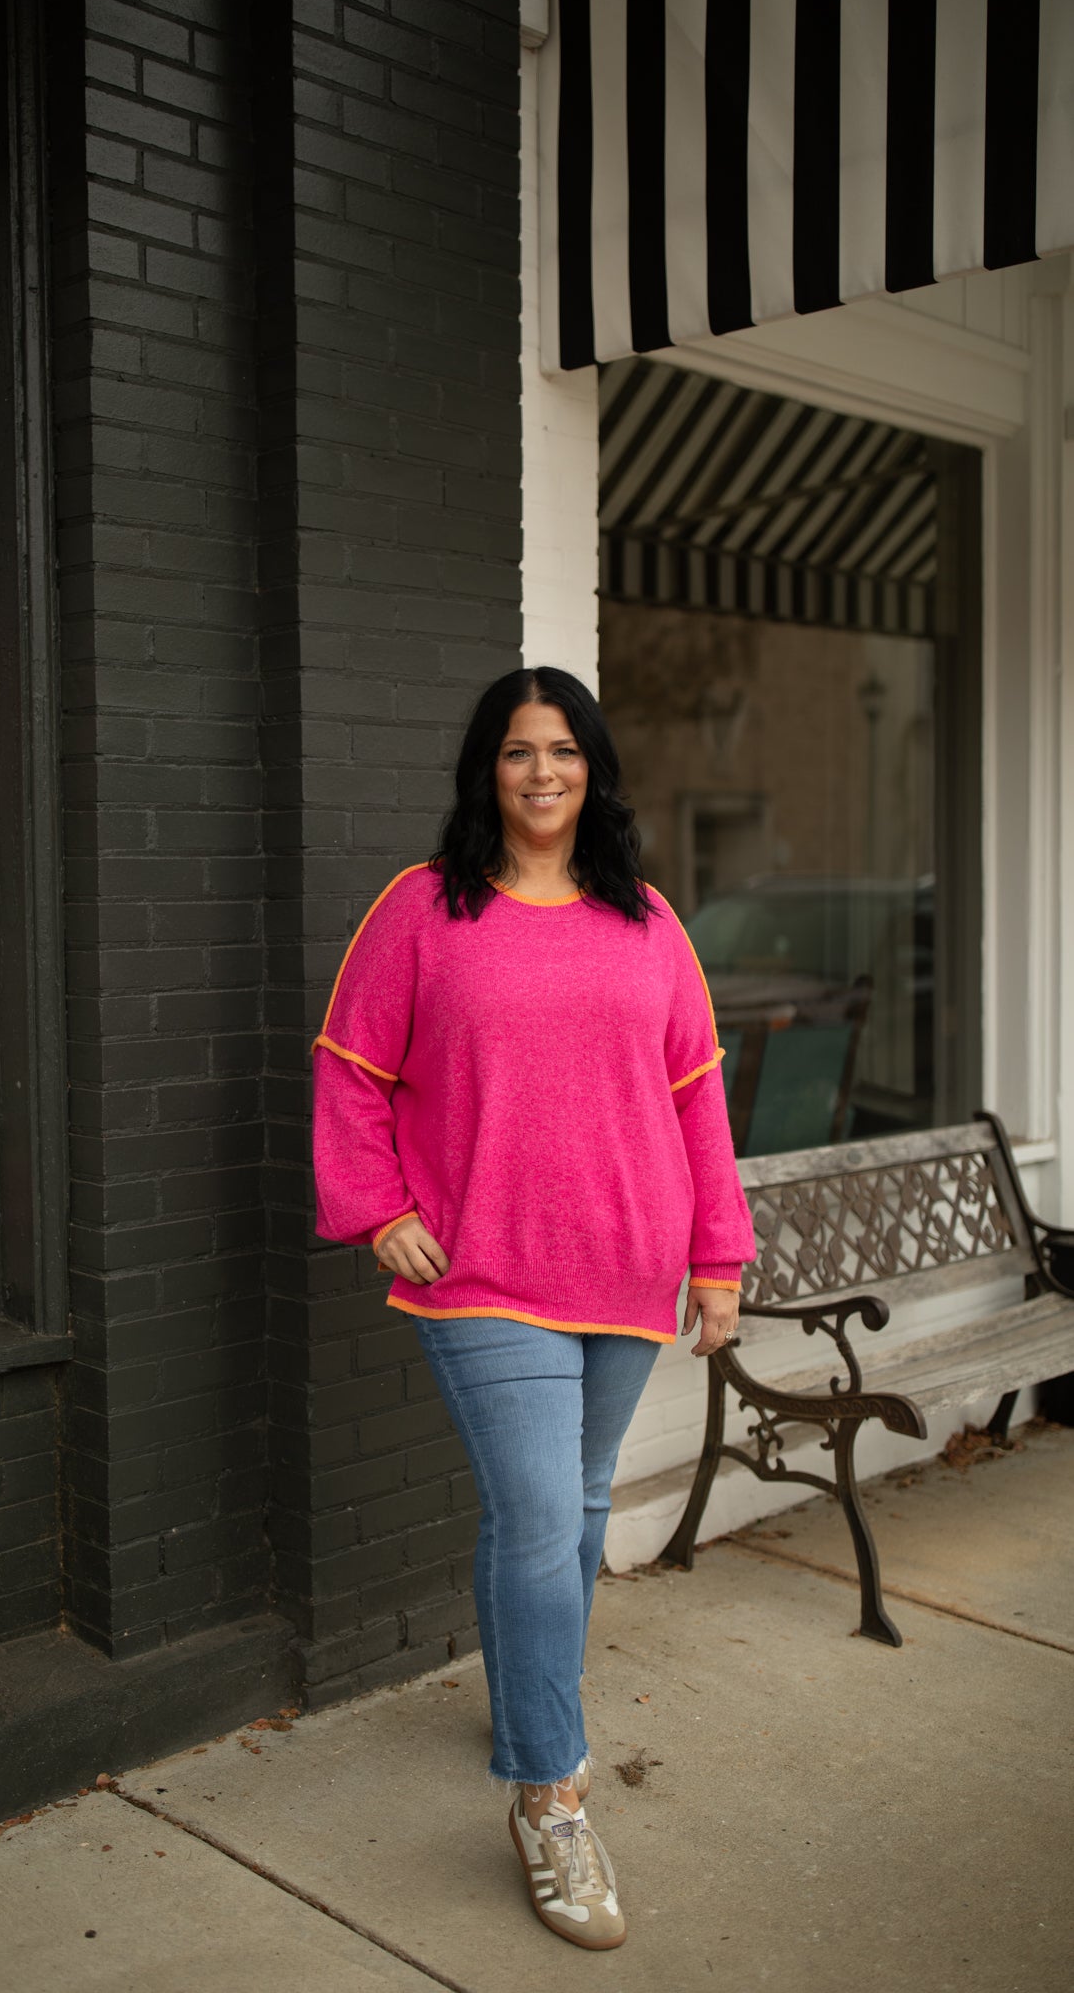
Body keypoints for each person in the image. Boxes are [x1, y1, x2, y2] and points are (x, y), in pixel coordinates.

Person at [311, 666, 755, 1950]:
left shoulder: (648, 921)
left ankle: (525, 1693)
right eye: (518, 750)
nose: (543, 771)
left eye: (564, 749)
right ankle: (550, 1791)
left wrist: (716, 1258)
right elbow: (348, 1070)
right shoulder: (423, 911)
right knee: (536, 1512)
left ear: (594, 769)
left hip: (627, 1268)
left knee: (575, 1509)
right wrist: (374, 1201)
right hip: (485, 1271)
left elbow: (698, 1101)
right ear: (485, 770)